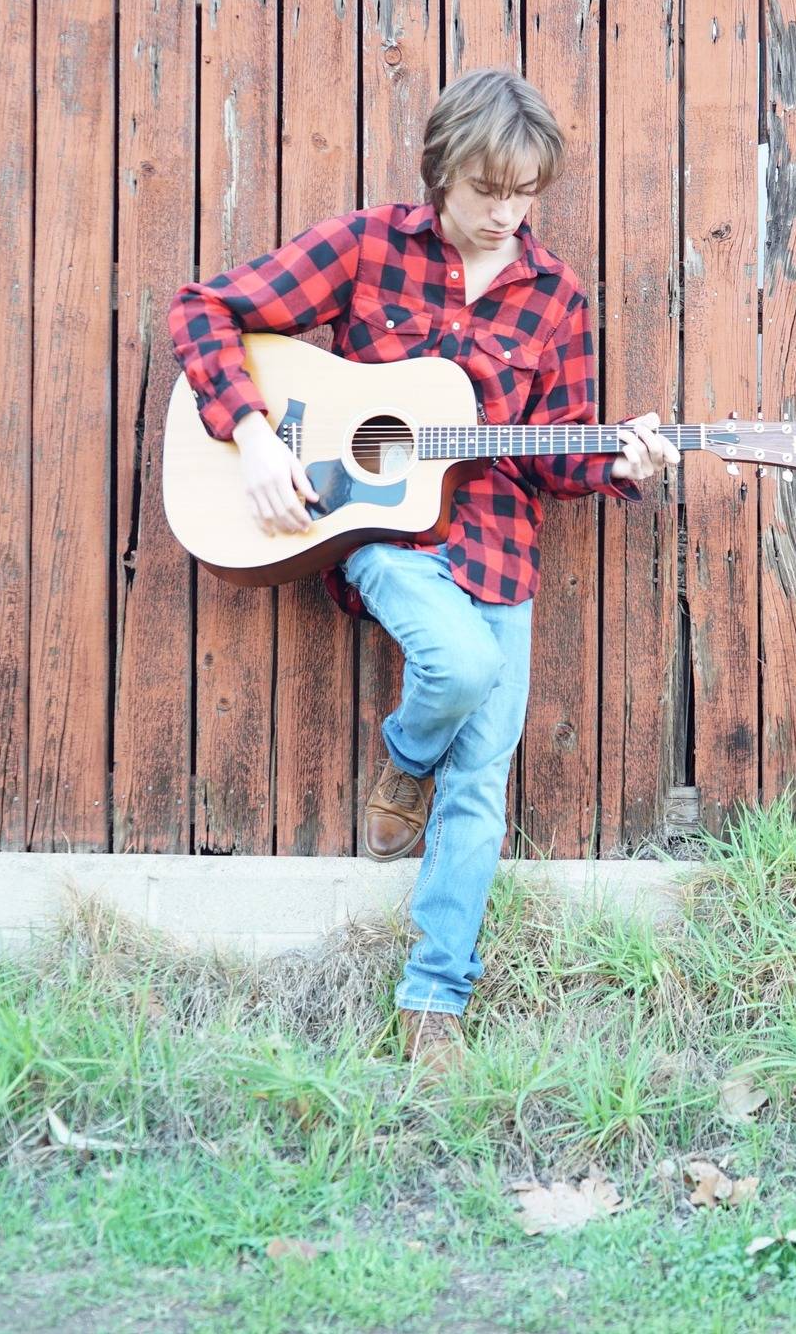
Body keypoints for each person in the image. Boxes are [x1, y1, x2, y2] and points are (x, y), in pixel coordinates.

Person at [167, 68, 678, 1082]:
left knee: (481, 787)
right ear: (441, 174)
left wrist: (619, 462)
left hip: (495, 544)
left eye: (525, 193)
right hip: (375, 535)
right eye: (487, 190)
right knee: (456, 664)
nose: (505, 214)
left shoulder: (555, 296)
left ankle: (434, 1000)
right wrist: (256, 435)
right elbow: (203, 311)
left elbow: (552, 454)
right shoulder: (365, 246)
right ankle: (406, 752)